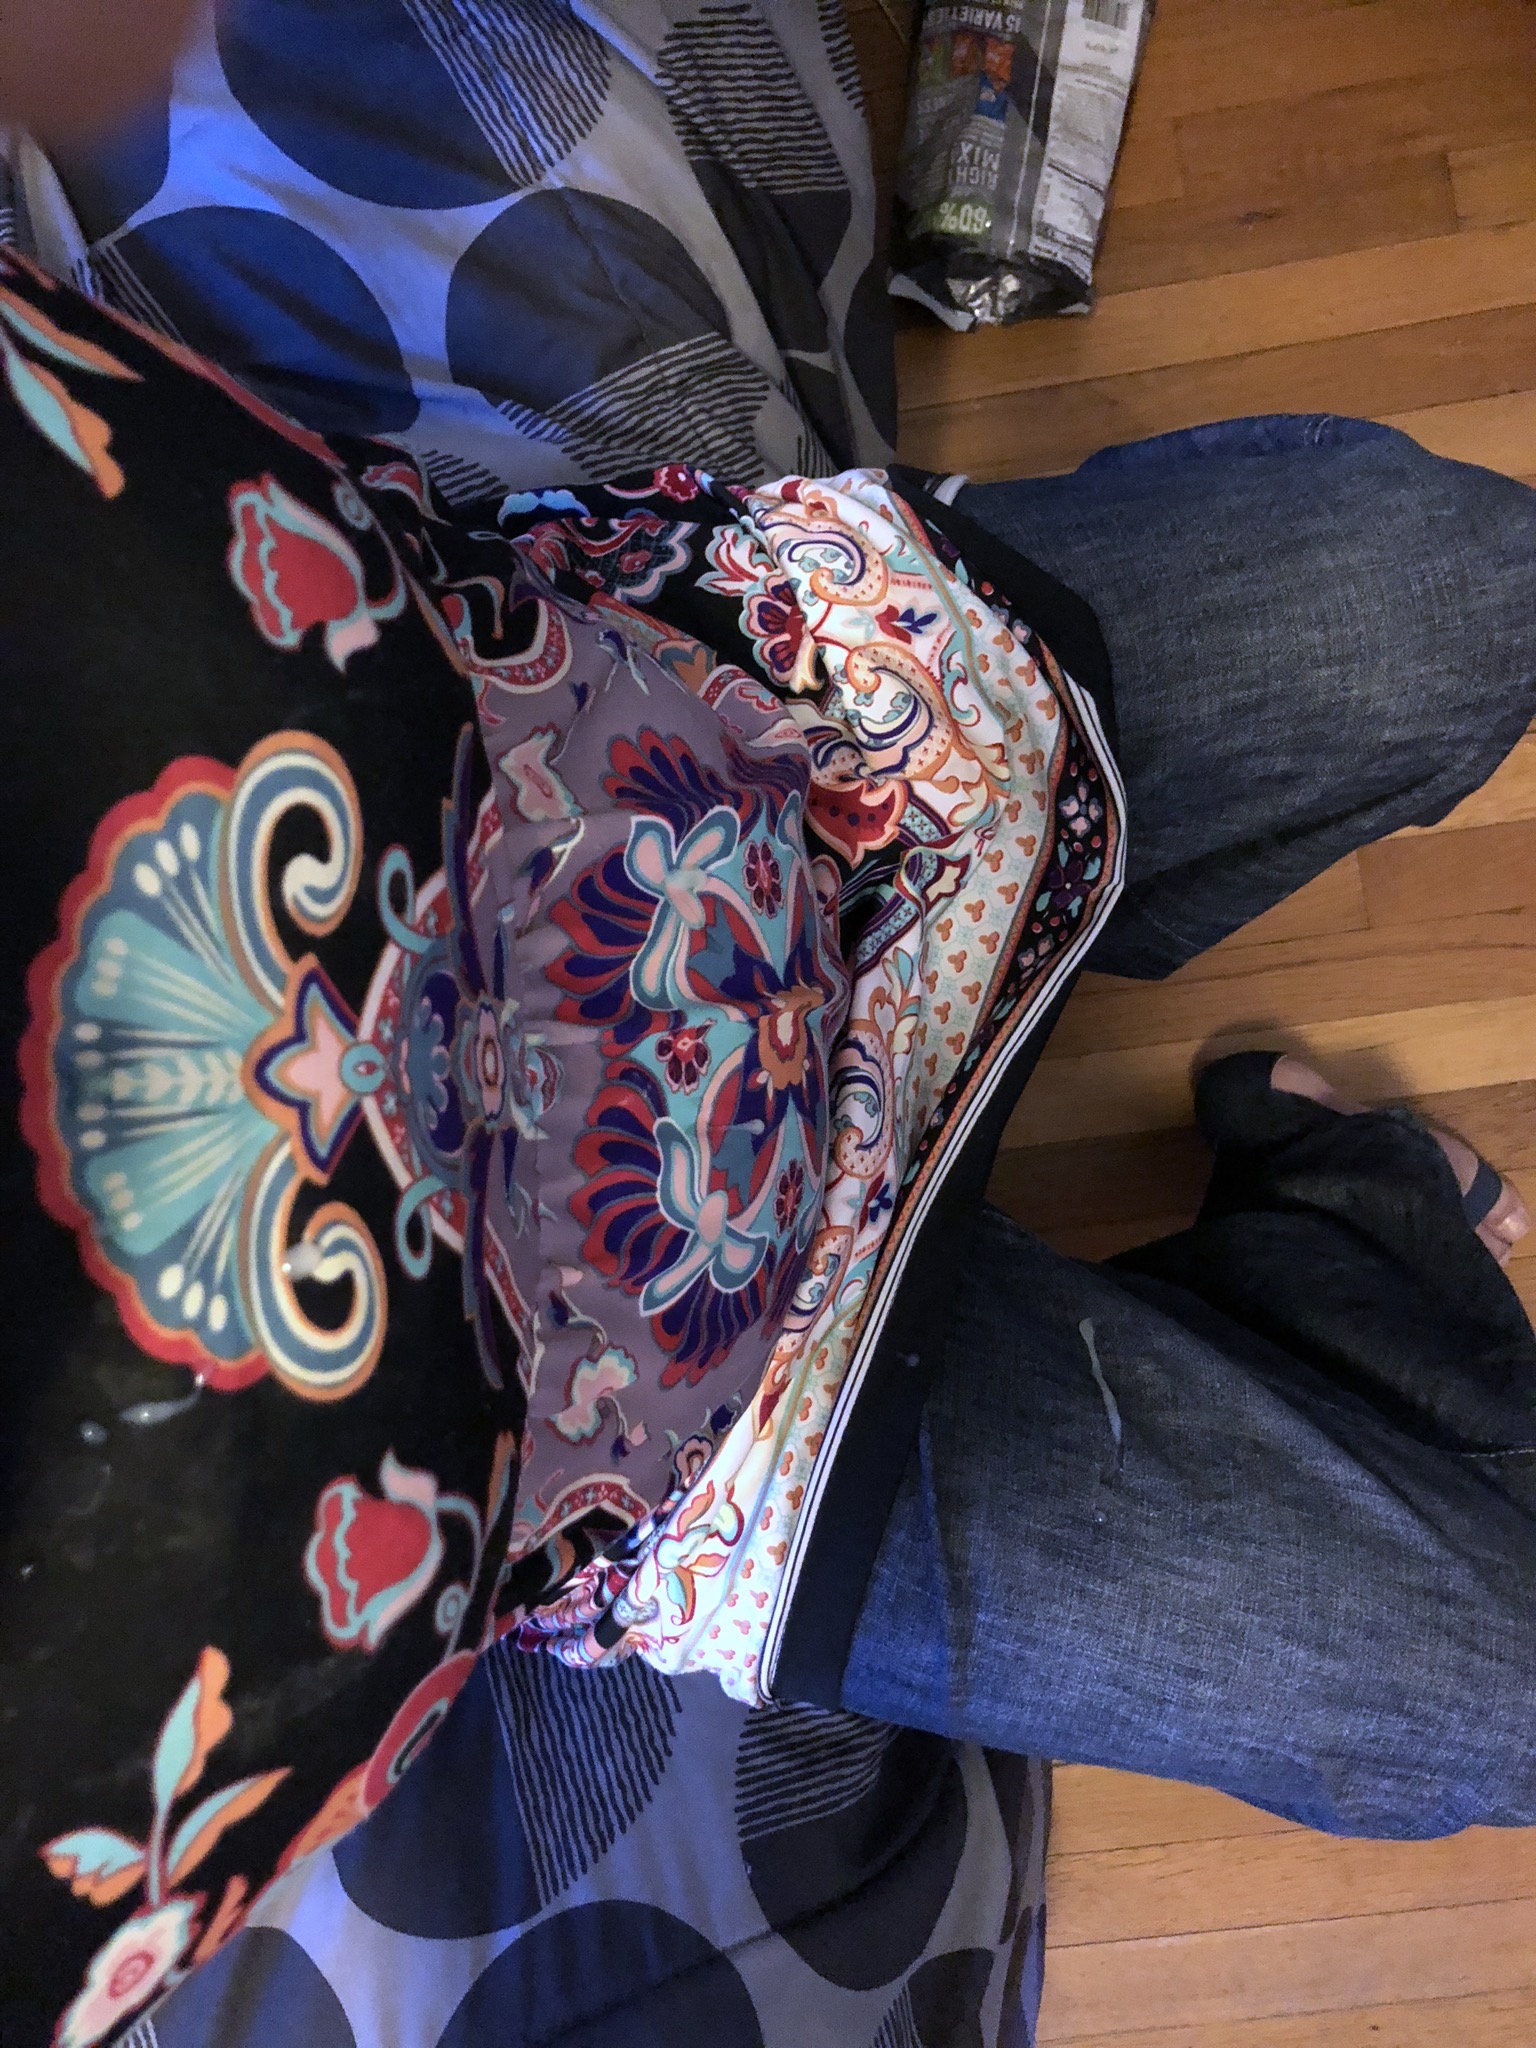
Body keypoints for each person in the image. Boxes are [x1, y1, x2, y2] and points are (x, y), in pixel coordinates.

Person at [1, 3, 1533, 2043]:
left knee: (1460, 595)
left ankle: (1196, 1056)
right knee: (1494, 1694)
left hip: (783, 728)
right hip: (729, 1455)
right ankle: (1336, 1210)